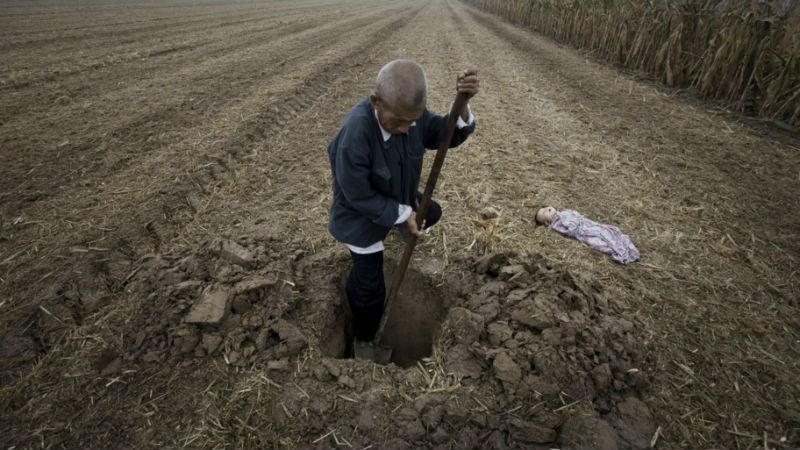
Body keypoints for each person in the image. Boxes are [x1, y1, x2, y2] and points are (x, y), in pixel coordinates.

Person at [327, 60, 479, 357]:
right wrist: (403, 214)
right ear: (376, 102)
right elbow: (357, 194)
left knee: (430, 213)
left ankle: (400, 225)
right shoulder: (354, 134)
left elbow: (446, 135)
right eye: (398, 122)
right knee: (370, 288)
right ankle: (363, 341)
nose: (406, 128)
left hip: (398, 197)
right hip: (360, 217)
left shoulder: (412, 117)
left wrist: (461, 106)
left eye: (412, 121)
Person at [535, 206, 640, 264]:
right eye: (544, 213)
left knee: (606, 230)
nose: (546, 209)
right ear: (546, 223)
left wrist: (578, 218)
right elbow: (569, 231)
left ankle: (621, 244)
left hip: (586, 223)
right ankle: (616, 250)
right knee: (598, 241)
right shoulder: (556, 224)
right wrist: (576, 225)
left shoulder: (564, 212)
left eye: (545, 208)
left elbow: (574, 213)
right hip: (583, 232)